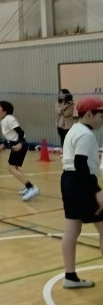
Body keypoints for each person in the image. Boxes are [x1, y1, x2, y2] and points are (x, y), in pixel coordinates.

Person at [60, 97, 103, 289]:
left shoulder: (74, 130)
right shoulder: (86, 135)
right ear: (89, 114)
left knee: (72, 229)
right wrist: (97, 191)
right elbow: (80, 164)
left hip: (69, 181)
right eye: (101, 116)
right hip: (82, 183)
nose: (102, 120)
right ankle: (70, 277)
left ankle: (70, 276)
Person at [0, 100, 39, 201]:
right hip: (16, 145)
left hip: (20, 145)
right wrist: (3, 145)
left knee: (11, 168)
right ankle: (28, 186)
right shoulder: (3, 121)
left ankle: (31, 188)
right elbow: (10, 136)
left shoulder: (10, 119)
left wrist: (20, 143)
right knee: (14, 168)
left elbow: (21, 133)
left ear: (4, 110)